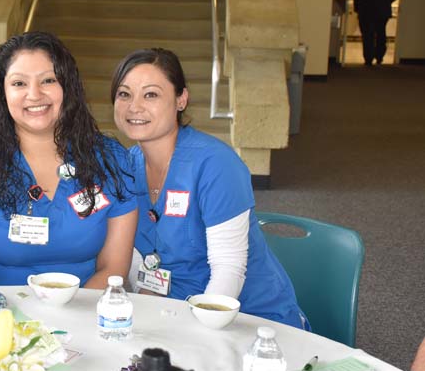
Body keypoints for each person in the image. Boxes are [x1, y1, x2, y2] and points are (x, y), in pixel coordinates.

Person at [111, 48, 307, 329]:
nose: (134, 106)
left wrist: (193, 336)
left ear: (181, 99)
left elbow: (229, 271)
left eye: (151, 94)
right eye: (124, 94)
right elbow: (136, 258)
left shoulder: (216, 164)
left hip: (248, 320)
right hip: (172, 314)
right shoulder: (126, 167)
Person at [0, 31, 137, 288]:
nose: (34, 94)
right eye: (19, 83)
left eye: (48, 80)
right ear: (3, 92)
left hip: (87, 314)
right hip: (3, 318)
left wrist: (70, 322)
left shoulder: (111, 159)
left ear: (68, 87)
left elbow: (113, 270)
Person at [353, 0, 400, 65]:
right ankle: (379, 56)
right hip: (382, 12)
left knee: (367, 36)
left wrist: (357, 10)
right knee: (381, 34)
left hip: (366, 12)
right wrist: (386, 1)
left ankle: (368, 58)